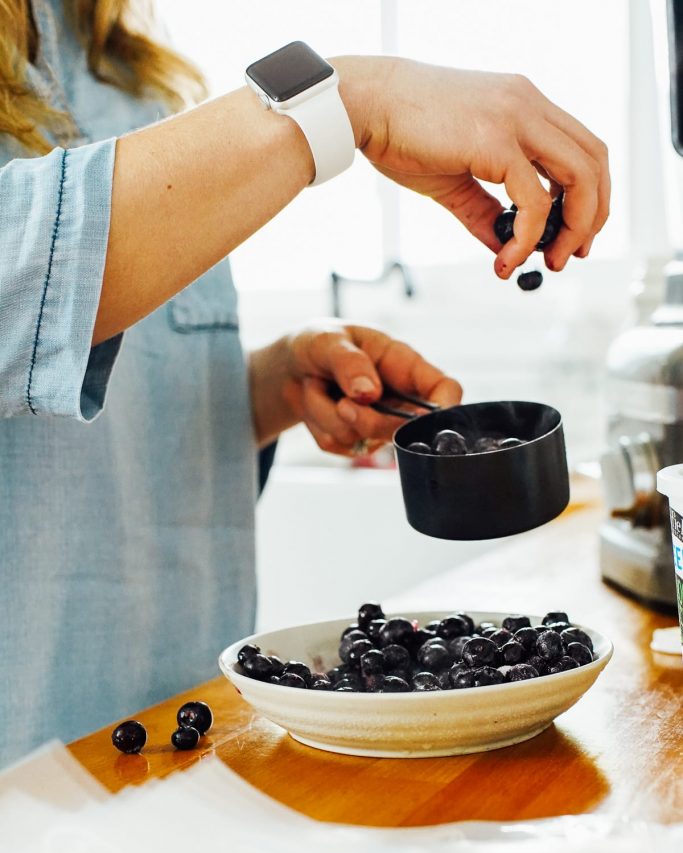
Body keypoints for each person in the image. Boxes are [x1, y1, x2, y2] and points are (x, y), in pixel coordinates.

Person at [0, 0, 610, 768]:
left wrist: (271, 387)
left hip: (186, 748)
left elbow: (94, 406)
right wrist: (348, 99)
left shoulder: (132, 80)